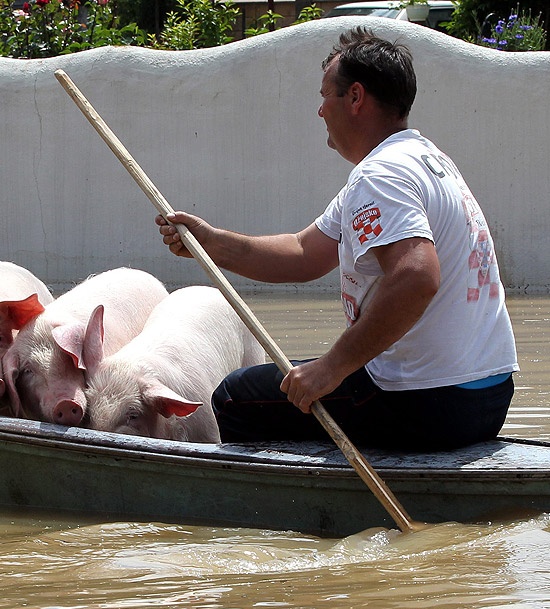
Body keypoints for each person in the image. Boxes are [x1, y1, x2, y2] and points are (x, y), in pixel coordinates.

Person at [156, 26, 518, 451]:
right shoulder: (423, 159)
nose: (320, 111)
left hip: (429, 402)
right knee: (289, 379)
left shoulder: (380, 175)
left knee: (236, 397)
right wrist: (211, 242)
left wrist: (332, 367)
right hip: (488, 398)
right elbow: (303, 253)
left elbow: (417, 277)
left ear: (356, 97)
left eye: (325, 95)